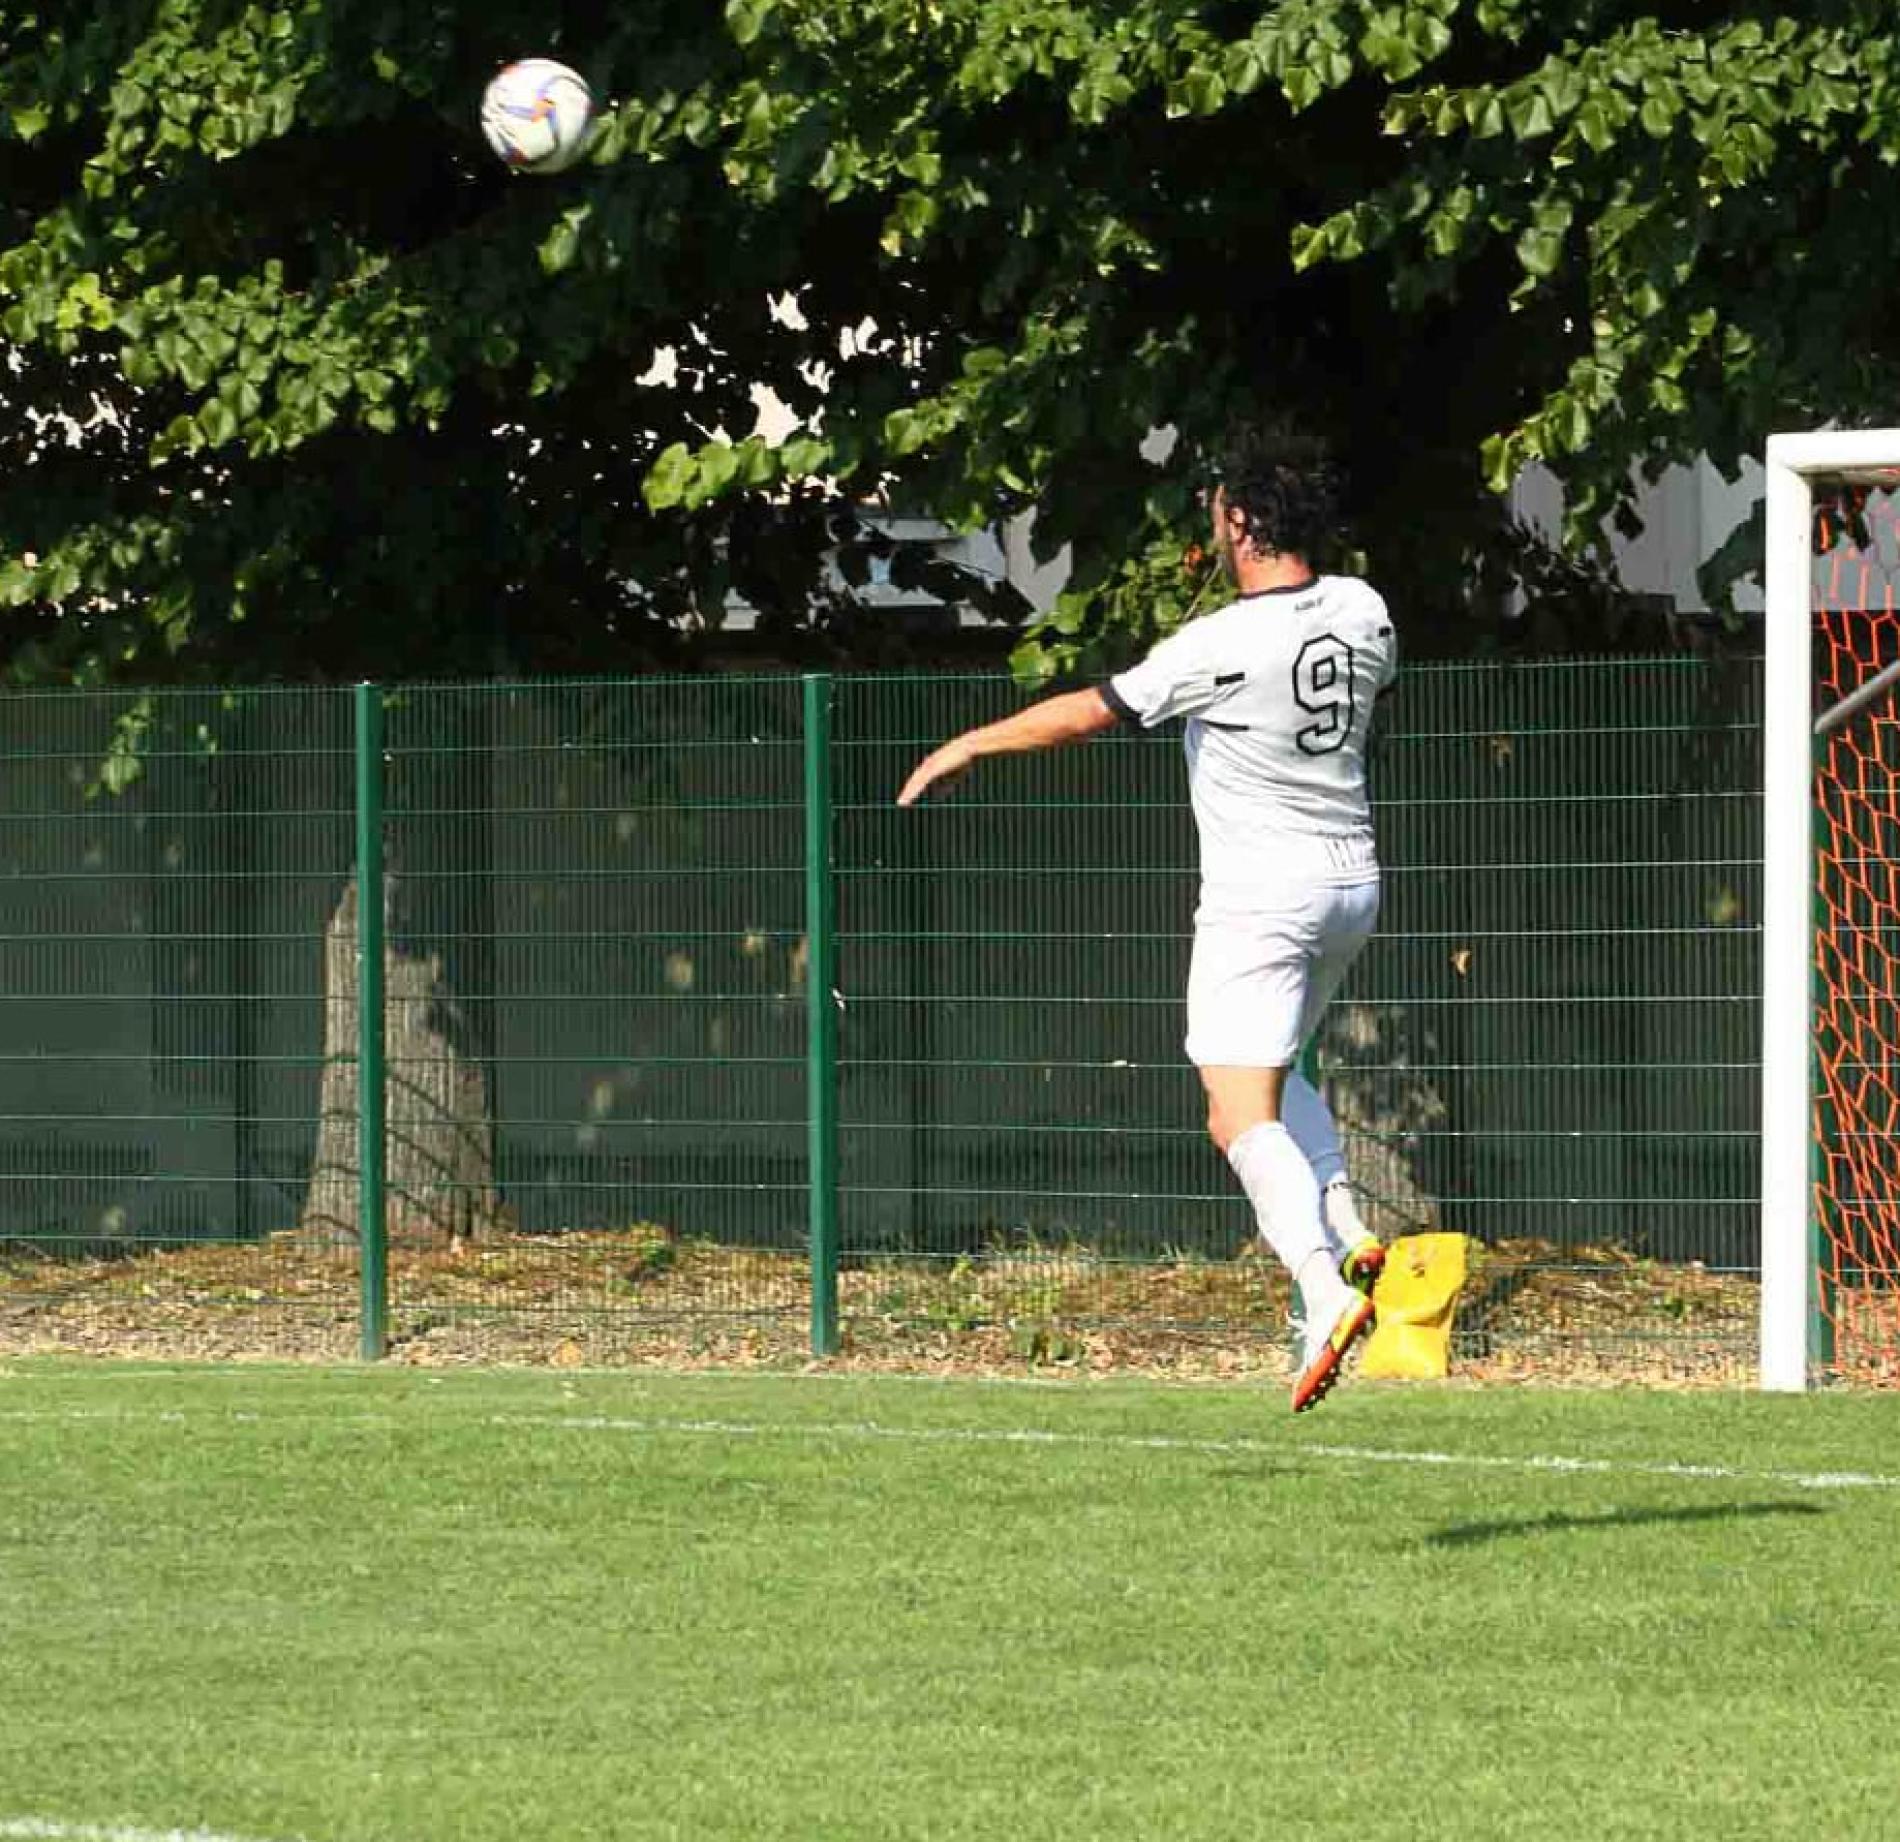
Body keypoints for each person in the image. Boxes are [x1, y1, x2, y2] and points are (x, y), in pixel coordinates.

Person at [896, 429, 1398, 1412]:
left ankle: (1319, 1285)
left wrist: (968, 744)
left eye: (1217, 511)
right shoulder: (1364, 609)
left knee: (1232, 1114)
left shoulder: (1221, 645)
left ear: (1243, 523)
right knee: (1278, 1071)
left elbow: (1087, 711)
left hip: (1264, 898)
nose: (1210, 526)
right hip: (1352, 885)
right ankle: (1345, 1221)